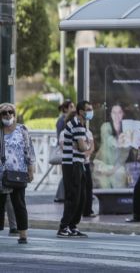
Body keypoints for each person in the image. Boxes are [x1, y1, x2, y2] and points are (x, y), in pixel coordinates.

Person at [0, 103, 35, 244]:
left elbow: (29, 150)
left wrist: (31, 169)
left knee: (19, 204)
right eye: (4, 113)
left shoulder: (22, 129)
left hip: (18, 172)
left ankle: (23, 234)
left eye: (10, 112)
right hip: (1, 175)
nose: (8, 115)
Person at [57, 100, 92, 238]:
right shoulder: (76, 125)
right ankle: (63, 226)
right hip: (71, 164)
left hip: (79, 163)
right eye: (88, 109)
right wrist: (86, 145)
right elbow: (83, 147)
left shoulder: (81, 125)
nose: (90, 111)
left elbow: (82, 146)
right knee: (73, 196)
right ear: (81, 111)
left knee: (81, 196)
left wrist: (84, 145)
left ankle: (72, 225)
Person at [94, 103, 129, 189]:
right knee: (104, 188)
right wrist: (118, 142)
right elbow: (108, 139)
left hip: (117, 169)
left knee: (120, 182)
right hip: (103, 167)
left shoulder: (126, 130)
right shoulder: (105, 126)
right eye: (114, 112)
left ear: (123, 114)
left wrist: (113, 170)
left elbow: (124, 155)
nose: (117, 115)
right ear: (110, 114)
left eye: (119, 112)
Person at [54, 99, 74, 203]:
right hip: (65, 150)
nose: (73, 109)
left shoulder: (65, 119)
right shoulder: (62, 120)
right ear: (66, 109)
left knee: (66, 174)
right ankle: (61, 195)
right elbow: (61, 137)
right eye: (71, 107)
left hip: (66, 150)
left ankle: (61, 195)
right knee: (67, 174)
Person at [83, 125, 96, 218]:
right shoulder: (66, 132)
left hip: (86, 162)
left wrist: (87, 154)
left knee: (88, 187)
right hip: (75, 163)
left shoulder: (88, 132)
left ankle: (88, 210)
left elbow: (92, 147)